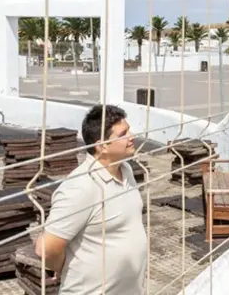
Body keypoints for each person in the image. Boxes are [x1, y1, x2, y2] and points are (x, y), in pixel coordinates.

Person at [35, 104, 147, 294]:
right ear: (102, 146)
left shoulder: (125, 169)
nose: (132, 137)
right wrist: (63, 266)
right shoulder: (81, 186)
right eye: (123, 134)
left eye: (129, 130)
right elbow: (46, 248)